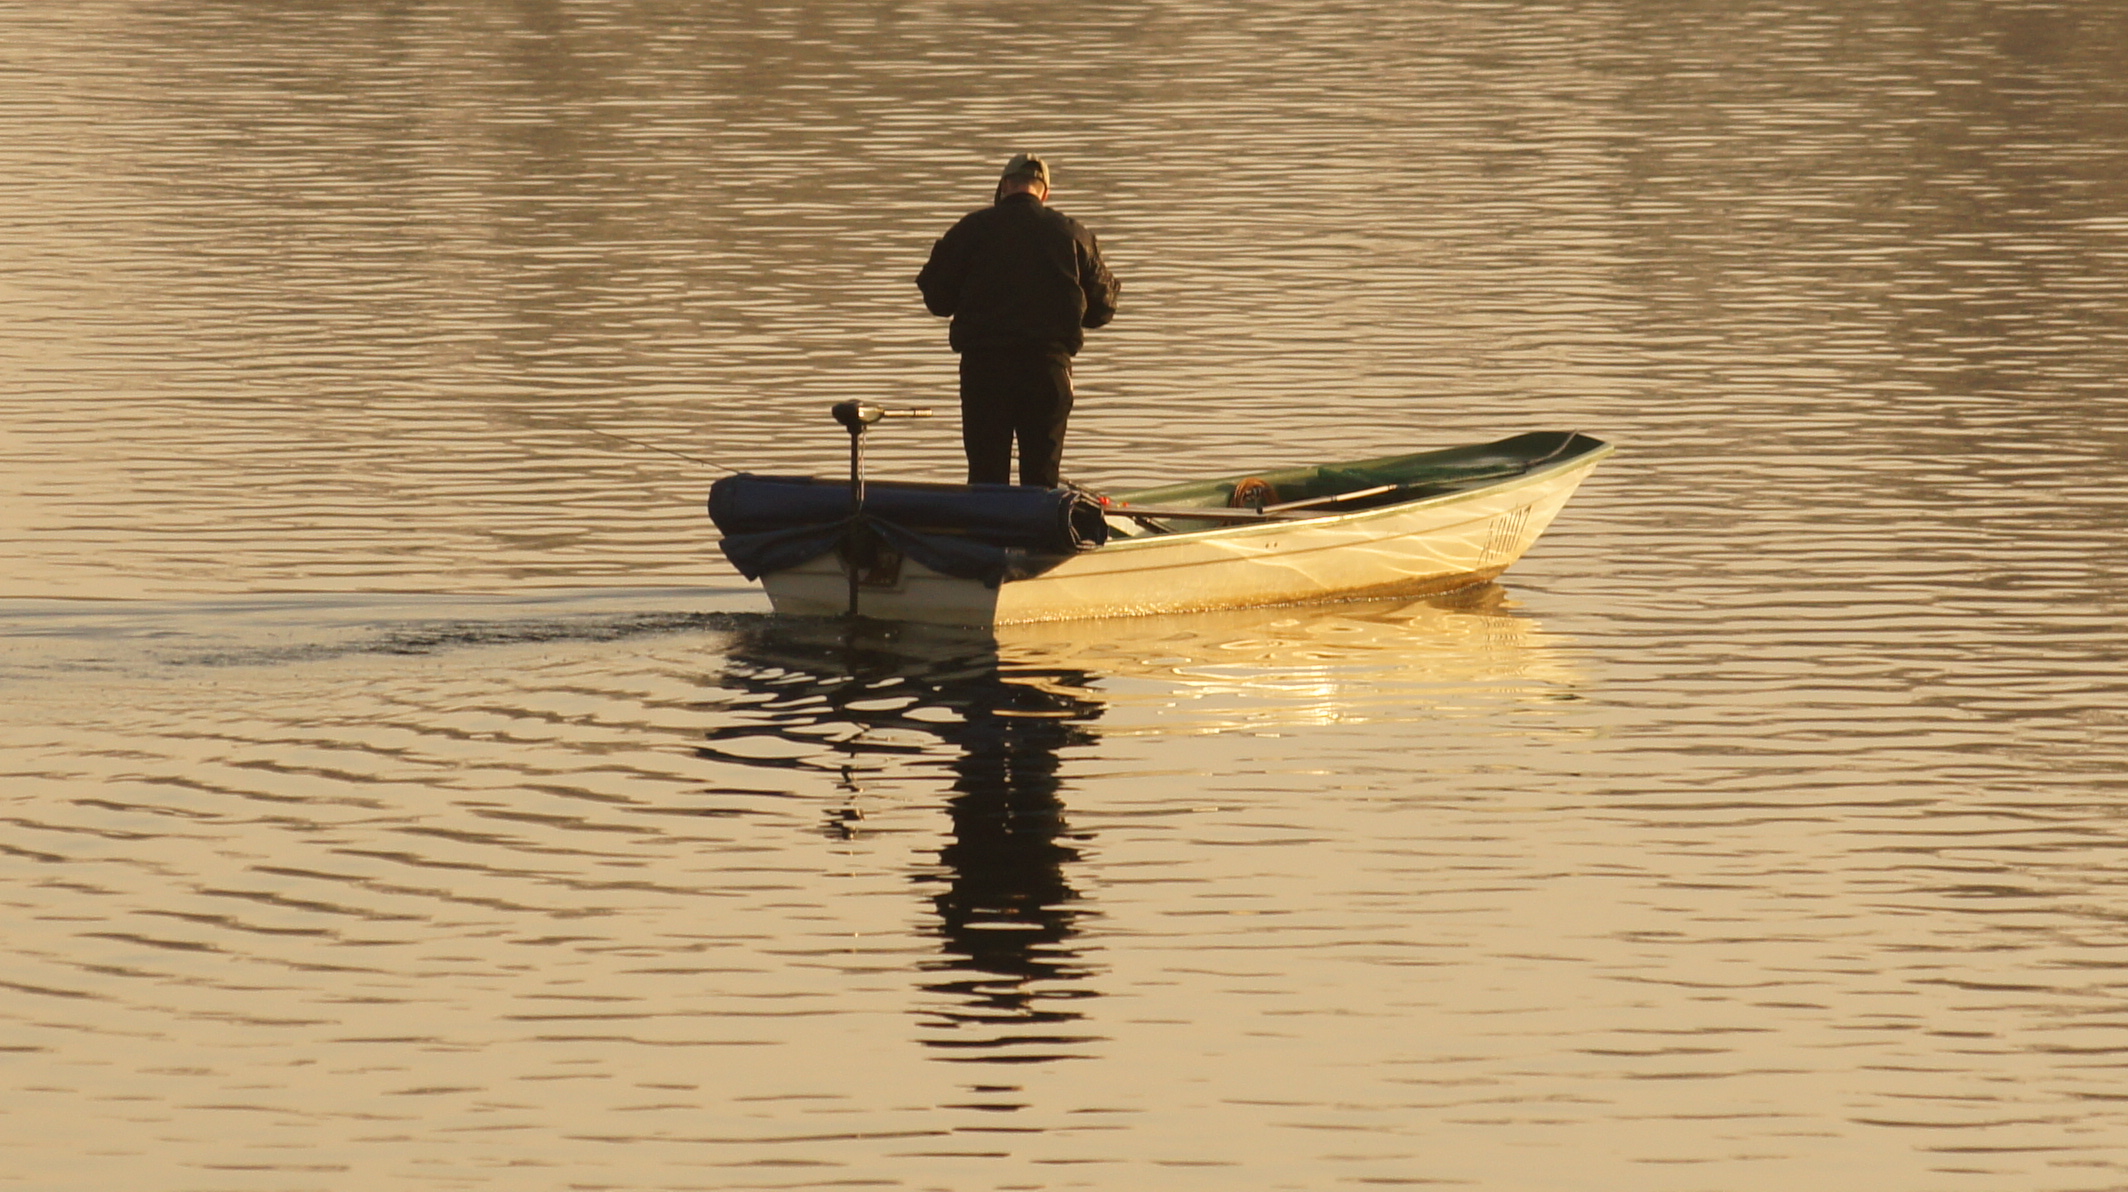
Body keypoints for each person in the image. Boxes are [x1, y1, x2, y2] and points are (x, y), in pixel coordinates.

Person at [916, 154, 1119, 487]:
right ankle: (1039, 536)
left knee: (985, 477)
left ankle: (985, 536)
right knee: (1041, 479)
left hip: (984, 371)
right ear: (1045, 192)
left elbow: (937, 300)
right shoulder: (1073, 234)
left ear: (1004, 186)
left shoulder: (970, 230)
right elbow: (1103, 309)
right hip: (1048, 368)